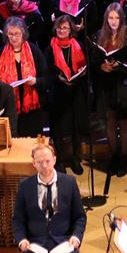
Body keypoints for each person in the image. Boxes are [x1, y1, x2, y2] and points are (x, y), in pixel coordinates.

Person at [12, 140, 86, 253]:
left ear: (54, 160)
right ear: (34, 164)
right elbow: (18, 219)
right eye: (40, 162)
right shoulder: (25, 186)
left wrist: (76, 237)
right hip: (35, 243)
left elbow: (79, 217)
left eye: (47, 161)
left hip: (64, 241)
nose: (45, 166)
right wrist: (22, 240)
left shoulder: (69, 182)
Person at [91, 3, 127, 177]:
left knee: (124, 122)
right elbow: (95, 59)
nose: (113, 21)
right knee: (110, 120)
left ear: (121, 18)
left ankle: (124, 159)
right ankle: (113, 157)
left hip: (123, 83)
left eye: (116, 18)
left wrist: (119, 65)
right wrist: (102, 66)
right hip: (107, 84)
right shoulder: (100, 34)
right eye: (110, 18)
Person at [45, 16, 87, 174]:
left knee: (76, 126)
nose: (62, 31)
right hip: (58, 91)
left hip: (76, 90)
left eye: (65, 28)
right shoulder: (49, 48)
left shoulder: (79, 45)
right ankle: (60, 160)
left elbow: (85, 65)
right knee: (58, 127)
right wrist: (58, 77)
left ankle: (76, 159)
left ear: (71, 30)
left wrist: (82, 73)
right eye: (59, 28)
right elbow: (47, 70)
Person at [0, 18, 48, 136]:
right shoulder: (0, 53)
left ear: (23, 33)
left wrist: (35, 81)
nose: (14, 38)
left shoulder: (34, 51)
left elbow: (47, 79)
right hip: (9, 106)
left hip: (31, 108)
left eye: (17, 34)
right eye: (10, 34)